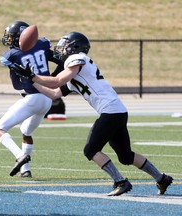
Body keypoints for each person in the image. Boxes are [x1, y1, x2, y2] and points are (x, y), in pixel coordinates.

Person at [12, 31, 173, 196]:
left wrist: (33, 75)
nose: (60, 48)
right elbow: (53, 93)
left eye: (64, 45)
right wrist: (31, 80)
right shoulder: (76, 72)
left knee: (91, 150)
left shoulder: (78, 59)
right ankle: (162, 179)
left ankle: (120, 182)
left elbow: (57, 81)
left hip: (111, 111)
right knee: (125, 156)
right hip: (117, 111)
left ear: (75, 47)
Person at [0, 20, 64, 177]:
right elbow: (62, 61)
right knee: (26, 132)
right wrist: (52, 78)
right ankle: (26, 171)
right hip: (47, 101)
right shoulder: (41, 45)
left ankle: (20, 156)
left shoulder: (12, 55)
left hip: (33, 98)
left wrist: (21, 75)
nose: (9, 40)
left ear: (21, 37)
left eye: (12, 37)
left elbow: (17, 86)